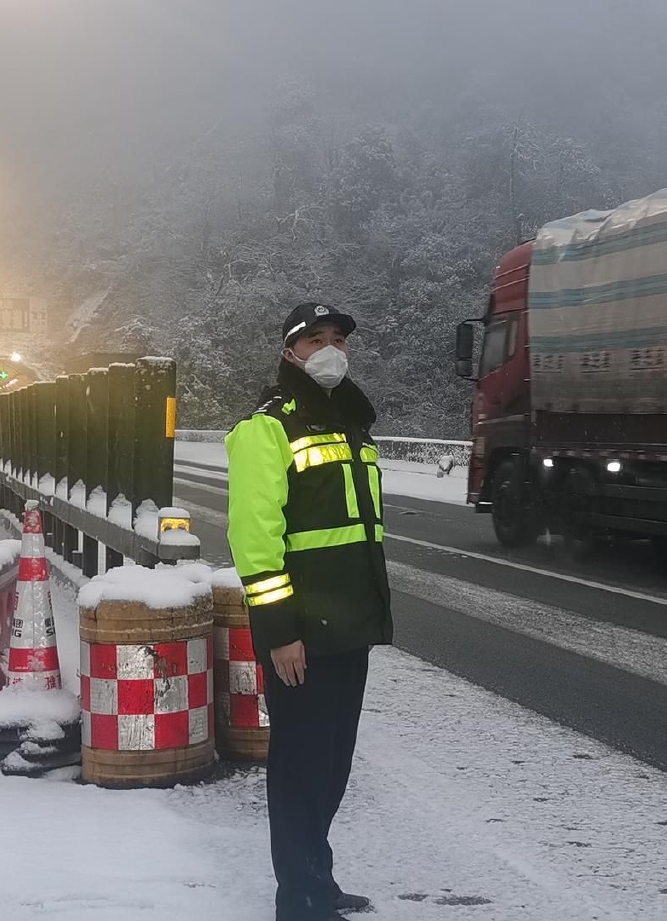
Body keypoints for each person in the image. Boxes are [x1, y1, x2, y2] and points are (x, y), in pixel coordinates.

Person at [227, 301, 393, 921]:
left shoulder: (351, 423)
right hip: (301, 634)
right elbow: (255, 538)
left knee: (332, 764)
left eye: (339, 339)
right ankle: (296, 898)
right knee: (300, 767)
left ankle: (317, 882)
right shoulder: (266, 429)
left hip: (351, 625)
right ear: (289, 351)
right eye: (315, 338)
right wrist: (280, 632)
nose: (330, 349)